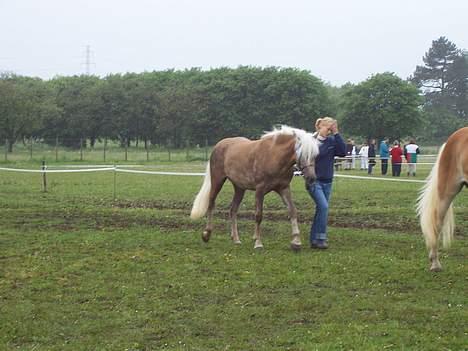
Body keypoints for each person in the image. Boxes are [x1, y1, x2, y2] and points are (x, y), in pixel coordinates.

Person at [306, 117, 346, 249]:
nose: (328, 131)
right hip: (314, 180)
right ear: (319, 126)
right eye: (327, 127)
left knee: (320, 209)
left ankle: (314, 239)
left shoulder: (332, 141)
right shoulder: (311, 141)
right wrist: (321, 137)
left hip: (327, 181)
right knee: (323, 207)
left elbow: (343, 152)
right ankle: (321, 238)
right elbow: (317, 154)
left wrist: (337, 133)